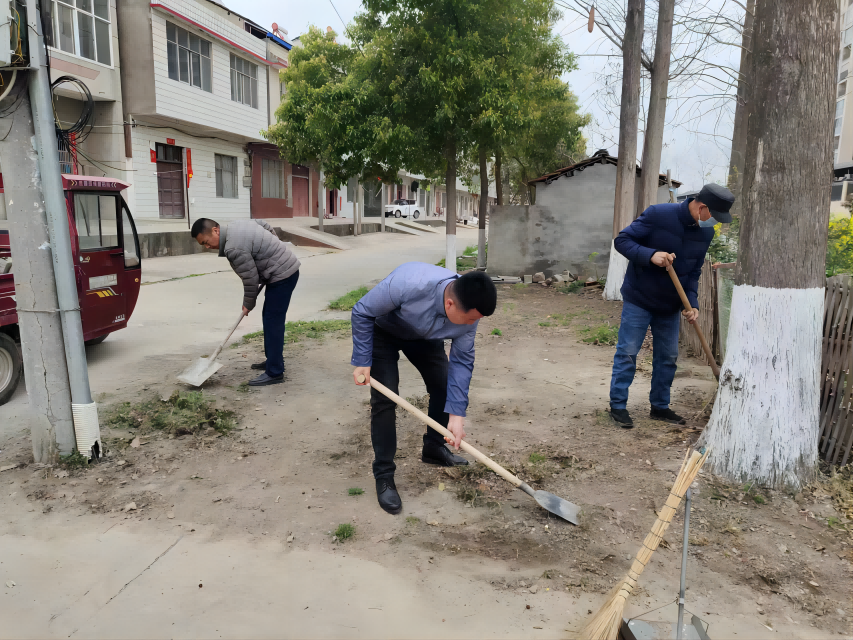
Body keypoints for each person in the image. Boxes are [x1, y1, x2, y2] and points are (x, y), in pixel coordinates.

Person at [351, 264, 497, 514]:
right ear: (450, 304)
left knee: (443, 384)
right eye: (472, 319)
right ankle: (384, 475)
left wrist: (457, 414)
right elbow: (362, 311)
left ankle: (433, 447)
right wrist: (363, 360)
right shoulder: (408, 284)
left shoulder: (469, 311)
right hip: (384, 332)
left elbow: (461, 363)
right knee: (386, 400)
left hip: (425, 338)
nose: (474, 324)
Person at [609, 183, 735, 428]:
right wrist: (650, 255)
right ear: (701, 207)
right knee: (628, 353)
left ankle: (659, 406)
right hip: (640, 297)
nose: (715, 223)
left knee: (667, 357)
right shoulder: (658, 214)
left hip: (670, 305)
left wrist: (692, 303)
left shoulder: (705, 233)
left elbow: (693, 272)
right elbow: (622, 240)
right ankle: (618, 406)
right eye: (714, 216)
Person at [192, 218, 300, 386]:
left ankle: (275, 372)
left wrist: (248, 303)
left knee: (273, 321)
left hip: (283, 274)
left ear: (215, 231)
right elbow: (264, 225)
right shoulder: (236, 224)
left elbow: (250, 278)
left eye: (206, 242)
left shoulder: (232, 248)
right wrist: (273, 245)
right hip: (284, 269)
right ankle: (272, 360)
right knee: (270, 318)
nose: (207, 247)